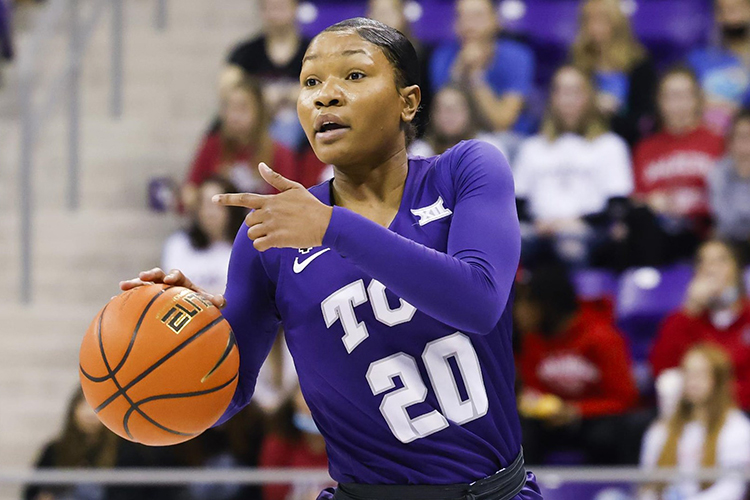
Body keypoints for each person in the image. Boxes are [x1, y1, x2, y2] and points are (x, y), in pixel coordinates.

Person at [122, 17, 542, 500]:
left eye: (354, 75)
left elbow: (479, 302)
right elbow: (224, 394)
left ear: (408, 102)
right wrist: (187, 338)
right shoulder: (271, 234)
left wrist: (331, 227)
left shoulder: (466, 171)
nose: (326, 96)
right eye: (310, 82)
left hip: (492, 492)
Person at [515, 265, 638, 465]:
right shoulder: (531, 339)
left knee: (605, 436)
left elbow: (625, 399)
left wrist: (576, 411)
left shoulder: (602, 337)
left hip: (593, 421)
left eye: (527, 303)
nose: (519, 312)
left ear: (548, 305)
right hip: (550, 423)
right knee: (518, 432)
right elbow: (533, 389)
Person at [513, 65, 633, 268]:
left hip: (589, 233)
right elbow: (517, 204)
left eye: (575, 92)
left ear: (590, 97)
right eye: (561, 92)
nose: (567, 100)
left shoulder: (610, 145)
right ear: (552, 98)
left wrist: (575, 223)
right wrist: (539, 224)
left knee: (570, 246)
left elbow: (617, 206)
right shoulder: (532, 147)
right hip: (537, 232)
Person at [631, 67, 725, 263]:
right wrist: (650, 202)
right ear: (659, 102)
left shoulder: (718, 142)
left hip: (706, 231)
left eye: (684, 96)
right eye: (670, 97)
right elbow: (635, 199)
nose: (677, 105)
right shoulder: (644, 148)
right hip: (658, 236)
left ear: (698, 99)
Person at [640, 345, 750, 500]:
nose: (693, 381)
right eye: (688, 373)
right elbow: (647, 482)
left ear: (718, 380)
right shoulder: (662, 428)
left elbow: (732, 489)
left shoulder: (737, 428)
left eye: (701, 374)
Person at [650, 240, 750, 411]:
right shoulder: (685, 319)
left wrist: (719, 395)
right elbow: (662, 369)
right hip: (696, 410)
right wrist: (690, 309)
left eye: (721, 261)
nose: (711, 270)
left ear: (737, 269)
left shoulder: (746, 316)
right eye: (704, 262)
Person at [183, 75, 298, 209]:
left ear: (259, 111)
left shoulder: (279, 153)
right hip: (219, 219)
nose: (234, 116)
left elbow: (288, 203)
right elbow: (189, 192)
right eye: (230, 107)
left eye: (242, 108)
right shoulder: (212, 145)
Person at [430, 0, 535, 133]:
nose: (468, 25)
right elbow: (445, 121)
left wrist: (475, 75)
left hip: (509, 138)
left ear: (495, 20)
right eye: (461, 16)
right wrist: (459, 71)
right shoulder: (442, 56)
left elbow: (502, 123)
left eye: (477, 16)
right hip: (457, 137)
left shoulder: (517, 56)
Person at [570, 0, 657, 145]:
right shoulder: (576, 62)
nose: (594, 27)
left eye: (601, 19)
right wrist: (592, 103)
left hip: (628, 141)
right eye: (588, 20)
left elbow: (644, 118)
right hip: (582, 142)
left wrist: (614, 112)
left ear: (617, 23)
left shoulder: (639, 64)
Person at [227, 0, 309, 149]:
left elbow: (324, 85)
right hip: (256, 120)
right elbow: (228, 87)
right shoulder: (245, 52)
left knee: (288, 123)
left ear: (295, 8)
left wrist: (289, 95)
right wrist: (259, 98)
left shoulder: (312, 50)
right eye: (270, 8)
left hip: (300, 123)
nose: (275, 14)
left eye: (281, 7)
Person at [163, 177, 246, 295]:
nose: (210, 213)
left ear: (232, 209)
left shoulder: (245, 247)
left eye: (217, 205)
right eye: (205, 205)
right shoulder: (179, 243)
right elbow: (173, 289)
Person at [366, 0, 434, 137]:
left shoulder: (421, 57)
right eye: (377, 13)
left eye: (387, 13)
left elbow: (425, 104)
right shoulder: (361, 59)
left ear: (402, 16)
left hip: (415, 134)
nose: (382, 20)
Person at [688, 0, 750, 135]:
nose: (730, 18)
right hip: (705, 137)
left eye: (737, 8)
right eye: (723, 10)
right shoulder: (698, 59)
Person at [408, 85, 516, 161]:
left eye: (454, 109)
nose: (448, 116)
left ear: (470, 113)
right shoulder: (419, 152)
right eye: (442, 109)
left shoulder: (489, 149)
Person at [260, 387, 332, 500]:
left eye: (319, 414)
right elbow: (273, 493)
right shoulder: (278, 444)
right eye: (306, 412)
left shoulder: (348, 446)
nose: (313, 418)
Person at [709, 109, 750, 255]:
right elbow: (725, 218)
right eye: (742, 137)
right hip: (729, 242)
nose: (747, 144)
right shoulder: (719, 171)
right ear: (730, 141)